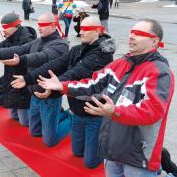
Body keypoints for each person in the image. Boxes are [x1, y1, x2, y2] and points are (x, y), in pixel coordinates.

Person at [38, 18, 175, 177]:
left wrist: (115, 111)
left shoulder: (160, 72)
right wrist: (62, 86)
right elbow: (93, 84)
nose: (131, 36)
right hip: (112, 148)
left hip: (138, 155)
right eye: (131, 32)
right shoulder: (121, 63)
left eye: (138, 34)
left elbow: (152, 112)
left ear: (154, 41)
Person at [11, 16, 115, 167]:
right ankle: (76, 123)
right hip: (77, 109)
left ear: (98, 31)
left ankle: (110, 147)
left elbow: (77, 71)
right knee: (77, 152)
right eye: (80, 28)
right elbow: (56, 64)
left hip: (94, 112)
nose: (81, 32)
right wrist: (28, 79)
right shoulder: (77, 49)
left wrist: (57, 84)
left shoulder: (102, 54)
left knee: (90, 162)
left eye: (86, 29)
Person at [0, 13, 69, 146]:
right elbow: (20, 49)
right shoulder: (38, 40)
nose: (38, 28)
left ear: (53, 25)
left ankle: (69, 119)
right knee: (35, 131)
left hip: (50, 94)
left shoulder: (60, 45)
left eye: (42, 25)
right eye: (38, 25)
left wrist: (20, 60)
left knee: (49, 141)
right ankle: (55, 117)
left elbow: (41, 57)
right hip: (34, 91)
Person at [0, 12, 36, 126]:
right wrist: (2, 56)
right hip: (10, 77)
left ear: (15, 26)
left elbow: (21, 54)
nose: (3, 30)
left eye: (6, 27)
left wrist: (5, 56)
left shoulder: (27, 39)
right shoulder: (10, 37)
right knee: (13, 116)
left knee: (24, 122)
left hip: (22, 79)